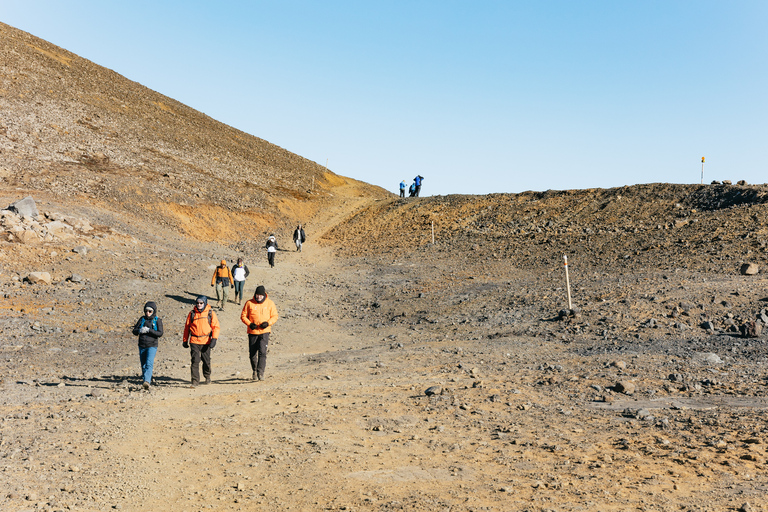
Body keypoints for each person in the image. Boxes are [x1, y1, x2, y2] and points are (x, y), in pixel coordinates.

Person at [240, 285, 279, 381]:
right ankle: (254, 370)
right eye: (257, 295)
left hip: (264, 332)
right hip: (252, 332)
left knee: (262, 352)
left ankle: (260, 373)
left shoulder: (270, 303)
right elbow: (243, 316)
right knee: (252, 353)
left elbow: (275, 316)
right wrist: (250, 324)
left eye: (260, 295)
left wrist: (268, 323)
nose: (259, 297)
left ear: (264, 295)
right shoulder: (249, 303)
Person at [182, 296, 220, 387]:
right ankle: (195, 381)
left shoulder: (210, 313)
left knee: (206, 361)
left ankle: (207, 376)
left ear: (205, 303)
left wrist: (214, 339)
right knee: (195, 361)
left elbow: (216, 327)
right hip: (194, 340)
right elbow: (187, 328)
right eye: (197, 303)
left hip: (206, 341)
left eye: (201, 303)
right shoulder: (192, 313)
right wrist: (185, 340)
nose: (199, 305)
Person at [131, 301, 164, 389]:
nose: (147, 313)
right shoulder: (142, 319)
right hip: (141, 345)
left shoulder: (157, 320)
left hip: (152, 345)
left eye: (150, 311)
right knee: (143, 364)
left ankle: (147, 381)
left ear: (154, 311)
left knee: (149, 363)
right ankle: (145, 379)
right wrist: (139, 331)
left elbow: (160, 333)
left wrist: (149, 330)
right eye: (146, 311)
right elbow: (134, 331)